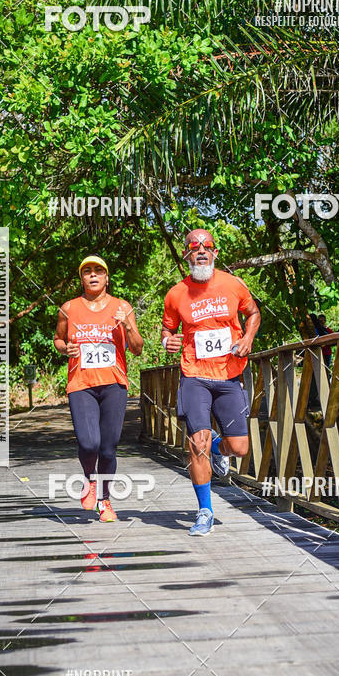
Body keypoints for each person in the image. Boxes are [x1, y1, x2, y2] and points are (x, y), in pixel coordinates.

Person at [161, 229, 261, 536]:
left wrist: (248, 338)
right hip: (194, 375)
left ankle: (219, 447)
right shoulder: (176, 294)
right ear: (187, 255)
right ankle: (204, 511)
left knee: (239, 448)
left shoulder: (233, 284)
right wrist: (167, 341)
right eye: (195, 247)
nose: (201, 251)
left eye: (207, 247)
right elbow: (167, 330)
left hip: (229, 374)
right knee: (197, 443)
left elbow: (253, 313)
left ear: (215, 253)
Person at [54, 254, 143, 522]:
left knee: (108, 448)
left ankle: (104, 500)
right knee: (88, 442)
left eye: (98, 271)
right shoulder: (68, 308)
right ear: (82, 278)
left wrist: (127, 326)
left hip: (114, 384)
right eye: (87, 271)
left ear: (106, 277)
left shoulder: (122, 307)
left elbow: (138, 349)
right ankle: (90, 479)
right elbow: (58, 339)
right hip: (81, 384)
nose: (93, 275)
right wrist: (65, 348)